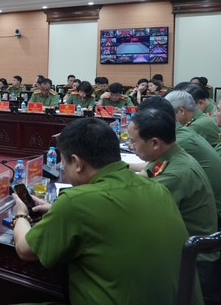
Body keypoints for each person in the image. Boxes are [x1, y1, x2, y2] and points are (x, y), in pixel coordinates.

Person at [12, 117, 197, 304]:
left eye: (64, 163)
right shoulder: (157, 187)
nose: (64, 170)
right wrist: (56, 211)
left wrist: (21, 213)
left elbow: (24, 250)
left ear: (77, 162)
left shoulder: (75, 203)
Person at [128, 108, 217, 297]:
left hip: (195, 264)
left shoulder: (177, 173)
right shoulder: (170, 157)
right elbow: (144, 177)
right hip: (182, 251)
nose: (131, 146)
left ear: (154, 143)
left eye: (134, 142)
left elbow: (134, 208)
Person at [142, 95, 221, 230]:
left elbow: (146, 189)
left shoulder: (179, 142)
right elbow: (149, 170)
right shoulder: (180, 137)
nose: (215, 113)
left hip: (210, 222)